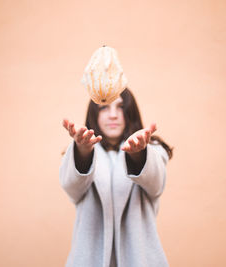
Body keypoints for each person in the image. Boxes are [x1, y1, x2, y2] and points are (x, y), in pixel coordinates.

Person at [60, 87, 173, 267]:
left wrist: (138, 155)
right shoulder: (77, 153)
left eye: (120, 107)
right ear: (93, 114)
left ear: (131, 112)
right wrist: (82, 152)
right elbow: (72, 187)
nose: (113, 115)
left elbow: (155, 183)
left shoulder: (153, 151)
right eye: (104, 107)